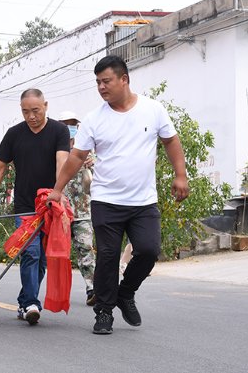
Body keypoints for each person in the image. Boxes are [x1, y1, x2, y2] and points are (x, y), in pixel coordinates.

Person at [46, 55, 189, 334]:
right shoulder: (94, 119)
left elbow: (171, 141)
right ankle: (104, 312)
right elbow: (76, 157)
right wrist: (57, 189)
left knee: (149, 251)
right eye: (97, 82)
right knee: (108, 257)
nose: (101, 87)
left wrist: (180, 175)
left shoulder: (153, 109)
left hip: (143, 201)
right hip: (106, 201)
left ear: (124, 79)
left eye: (106, 81)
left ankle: (126, 293)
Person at [0, 88, 70, 325]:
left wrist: (58, 192)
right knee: (30, 253)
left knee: (42, 258)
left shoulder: (59, 131)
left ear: (46, 106)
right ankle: (31, 303)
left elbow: (62, 161)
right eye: (25, 112)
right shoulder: (14, 134)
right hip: (25, 206)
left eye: (36, 111)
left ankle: (24, 301)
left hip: (51, 204)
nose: (31, 116)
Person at [57, 110, 97, 306]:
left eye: (72, 124)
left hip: (82, 209)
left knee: (85, 247)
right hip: (58, 210)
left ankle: (92, 288)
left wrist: (94, 163)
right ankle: (47, 294)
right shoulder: (55, 149)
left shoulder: (88, 149)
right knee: (53, 253)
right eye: (65, 124)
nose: (69, 128)